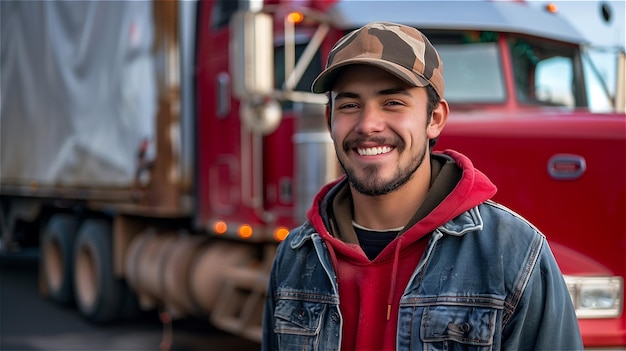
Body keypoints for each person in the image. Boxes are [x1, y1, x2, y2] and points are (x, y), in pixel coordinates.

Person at [262, 22, 583, 351]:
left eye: (393, 103)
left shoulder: (514, 256)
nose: (368, 124)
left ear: (435, 119)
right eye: (349, 105)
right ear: (330, 118)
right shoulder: (296, 256)